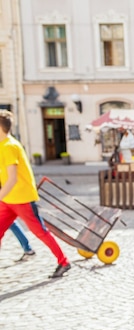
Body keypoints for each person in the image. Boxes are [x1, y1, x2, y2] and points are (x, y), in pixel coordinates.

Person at [0, 110, 71, 278]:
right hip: (9, 199)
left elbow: (12, 178)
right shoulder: (3, 145)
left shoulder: (9, 146)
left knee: (40, 232)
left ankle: (64, 261)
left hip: (22, 198)